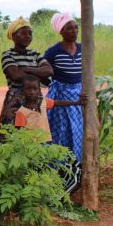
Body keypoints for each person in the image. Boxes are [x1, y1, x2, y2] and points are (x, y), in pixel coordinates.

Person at [44, 13, 84, 161]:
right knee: (60, 130)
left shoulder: (83, 49)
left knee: (77, 129)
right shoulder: (53, 52)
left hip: (78, 96)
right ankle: (58, 165)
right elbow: (42, 71)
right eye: (69, 28)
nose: (74, 31)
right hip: (60, 97)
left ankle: (75, 165)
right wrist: (53, 85)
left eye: (76, 27)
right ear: (61, 31)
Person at [0, 16, 52, 126]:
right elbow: (15, 75)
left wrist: (26, 69)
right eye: (23, 33)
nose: (28, 36)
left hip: (35, 100)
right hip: (15, 100)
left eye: (30, 33)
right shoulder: (8, 54)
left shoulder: (35, 53)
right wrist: (38, 74)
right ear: (13, 36)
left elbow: (49, 71)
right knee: (13, 130)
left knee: (35, 131)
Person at [14, 75, 86, 142]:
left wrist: (76, 102)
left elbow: (58, 102)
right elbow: (19, 133)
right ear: (22, 91)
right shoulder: (21, 112)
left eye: (35, 89)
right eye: (28, 89)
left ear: (39, 90)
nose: (32, 92)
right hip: (32, 145)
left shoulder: (43, 102)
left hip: (47, 141)